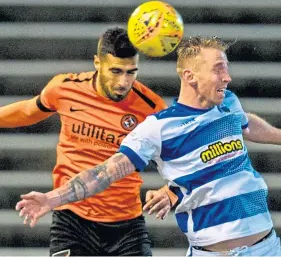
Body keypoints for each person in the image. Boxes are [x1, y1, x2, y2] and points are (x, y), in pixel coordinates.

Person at [15, 36, 281, 256]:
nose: (228, 78)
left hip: (267, 247)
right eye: (218, 69)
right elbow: (107, 172)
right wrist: (52, 198)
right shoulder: (159, 127)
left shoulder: (228, 103)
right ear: (190, 76)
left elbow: (246, 125)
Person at [1, 27, 178, 256]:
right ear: (97, 62)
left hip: (126, 225)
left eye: (131, 72)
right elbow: (27, 111)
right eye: (115, 71)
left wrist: (169, 191)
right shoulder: (64, 88)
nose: (124, 82)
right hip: (72, 221)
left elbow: (184, 160)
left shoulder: (150, 108)